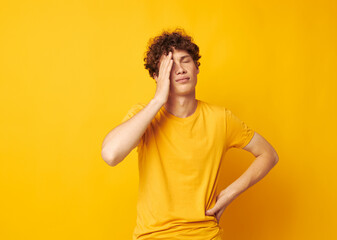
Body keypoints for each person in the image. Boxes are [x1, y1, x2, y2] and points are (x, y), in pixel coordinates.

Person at [101, 28, 279, 240]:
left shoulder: (220, 119)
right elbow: (111, 155)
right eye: (169, 65)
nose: (180, 69)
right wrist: (158, 100)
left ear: (196, 68)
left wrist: (229, 194)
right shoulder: (144, 117)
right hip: (153, 236)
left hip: (205, 235)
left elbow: (269, 154)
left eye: (185, 60)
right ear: (156, 76)